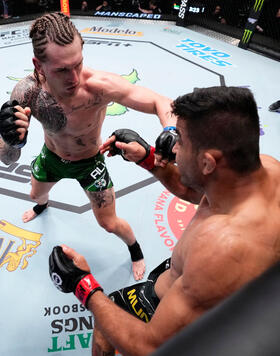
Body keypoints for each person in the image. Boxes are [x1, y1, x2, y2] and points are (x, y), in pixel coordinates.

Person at [49, 86, 280, 355]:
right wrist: (148, 159)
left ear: (208, 163)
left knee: (105, 320)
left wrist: (83, 286)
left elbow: (149, 346)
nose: (174, 148)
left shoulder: (222, 249)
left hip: (191, 304)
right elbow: (194, 191)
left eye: (181, 141)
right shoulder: (264, 168)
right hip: (187, 276)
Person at [0, 12, 174, 281]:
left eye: (78, 64)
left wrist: (171, 131)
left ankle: (135, 249)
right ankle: (43, 206)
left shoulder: (99, 87)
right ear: (39, 64)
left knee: (108, 223)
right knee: (35, 197)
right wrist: (11, 140)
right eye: (61, 70)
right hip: (51, 157)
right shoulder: (27, 92)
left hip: (89, 163)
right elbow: (8, 159)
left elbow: (159, 102)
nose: (74, 78)